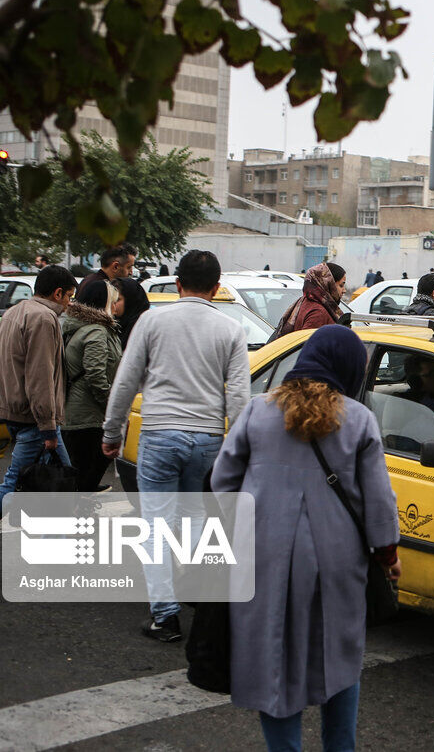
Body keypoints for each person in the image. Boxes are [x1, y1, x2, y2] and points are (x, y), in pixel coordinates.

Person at [211, 325, 399, 750]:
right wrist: (388, 555)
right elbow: (379, 502)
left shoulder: (258, 411)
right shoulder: (359, 420)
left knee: (273, 656)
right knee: (339, 656)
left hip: (262, 556)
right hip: (337, 560)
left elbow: (222, 483)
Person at [101, 250, 249, 642]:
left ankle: (164, 615)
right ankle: (201, 595)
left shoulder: (151, 321)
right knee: (198, 519)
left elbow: (126, 382)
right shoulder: (231, 330)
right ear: (217, 288)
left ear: (178, 283)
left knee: (156, 525)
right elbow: (238, 397)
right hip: (207, 438)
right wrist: (239, 446)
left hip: (160, 433)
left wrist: (112, 433)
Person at [0, 266, 78, 525]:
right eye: (69, 297)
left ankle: (55, 541)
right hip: (34, 419)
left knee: (62, 479)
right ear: (58, 293)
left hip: (14, 411)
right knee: (14, 483)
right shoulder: (43, 318)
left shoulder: (13, 312)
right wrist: (48, 429)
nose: (68, 304)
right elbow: (40, 377)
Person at [61, 279, 123, 493]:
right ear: (104, 303)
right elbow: (95, 374)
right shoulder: (96, 331)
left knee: (81, 474)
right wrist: (111, 406)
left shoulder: (79, 326)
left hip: (77, 413)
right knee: (88, 472)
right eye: (114, 302)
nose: (116, 306)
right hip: (87, 416)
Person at [273, 262, 346, 338]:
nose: (344, 290)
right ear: (329, 284)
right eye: (341, 285)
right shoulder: (318, 312)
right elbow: (308, 345)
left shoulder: (304, 302)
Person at [114, 277, 150, 350]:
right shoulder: (114, 325)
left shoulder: (143, 327)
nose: (113, 304)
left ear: (130, 301)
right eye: (111, 300)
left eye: (117, 300)